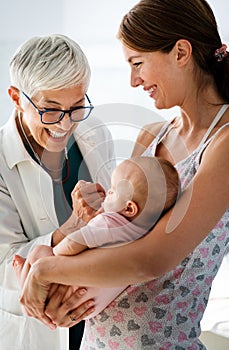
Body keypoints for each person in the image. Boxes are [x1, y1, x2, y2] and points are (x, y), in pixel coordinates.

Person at [19, 0, 229, 348]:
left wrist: (46, 271)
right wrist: (86, 221)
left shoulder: (227, 143)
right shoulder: (152, 135)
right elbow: (121, 237)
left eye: (138, 63)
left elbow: (151, 260)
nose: (134, 81)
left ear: (181, 52)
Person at [0, 34, 115, 350]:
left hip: (99, 314)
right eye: (50, 110)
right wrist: (73, 227)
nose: (65, 125)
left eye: (77, 107)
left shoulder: (94, 131)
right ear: (15, 97)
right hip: (37, 329)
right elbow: (4, 262)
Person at [13, 155, 180, 319]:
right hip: (92, 304)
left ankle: (24, 279)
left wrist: (54, 257)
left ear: (129, 209)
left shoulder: (108, 222)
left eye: (113, 191)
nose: (108, 191)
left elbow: (73, 243)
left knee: (40, 251)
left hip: (66, 286)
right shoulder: (144, 234)